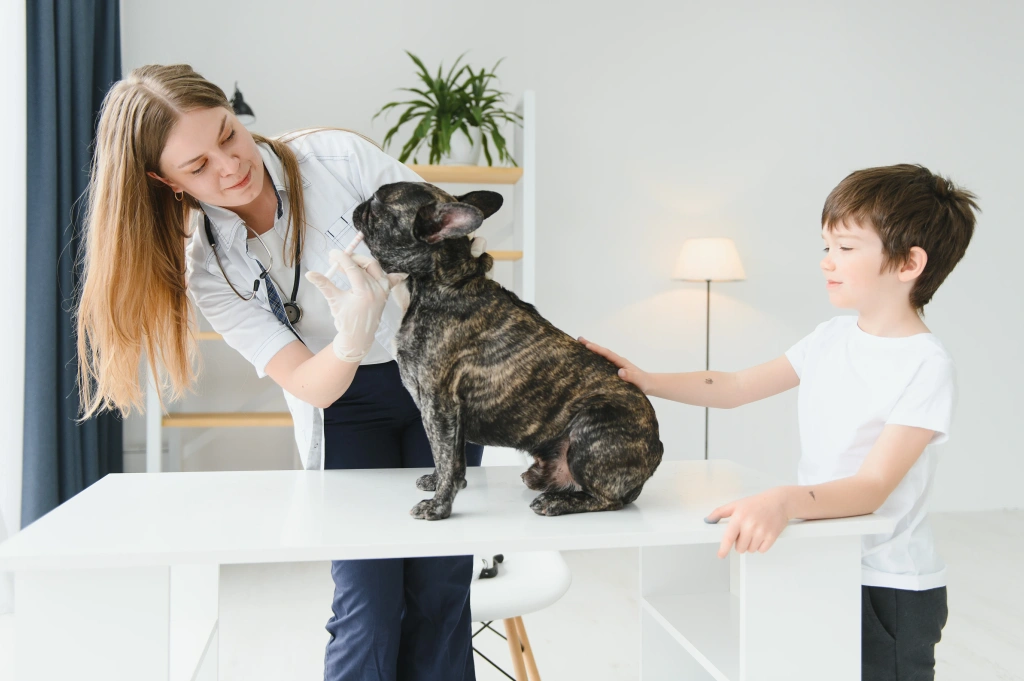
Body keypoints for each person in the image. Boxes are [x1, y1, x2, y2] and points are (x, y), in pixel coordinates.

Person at [76, 63, 484, 681]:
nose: (230, 165)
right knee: (368, 606)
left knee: (440, 594)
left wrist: (410, 281)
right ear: (166, 181)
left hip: (445, 382)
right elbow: (311, 382)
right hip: (345, 404)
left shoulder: (339, 161)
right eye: (198, 167)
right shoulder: (209, 268)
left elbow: (459, 242)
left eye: (228, 135)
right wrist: (350, 337)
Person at [583, 164, 978, 680]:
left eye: (846, 248)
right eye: (825, 247)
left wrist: (785, 500)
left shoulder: (926, 365)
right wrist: (644, 379)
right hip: (821, 555)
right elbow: (734, 387)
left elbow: (871, 488)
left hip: (888, 585)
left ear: (908, 263)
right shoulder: (830, 337)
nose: (827, 263)